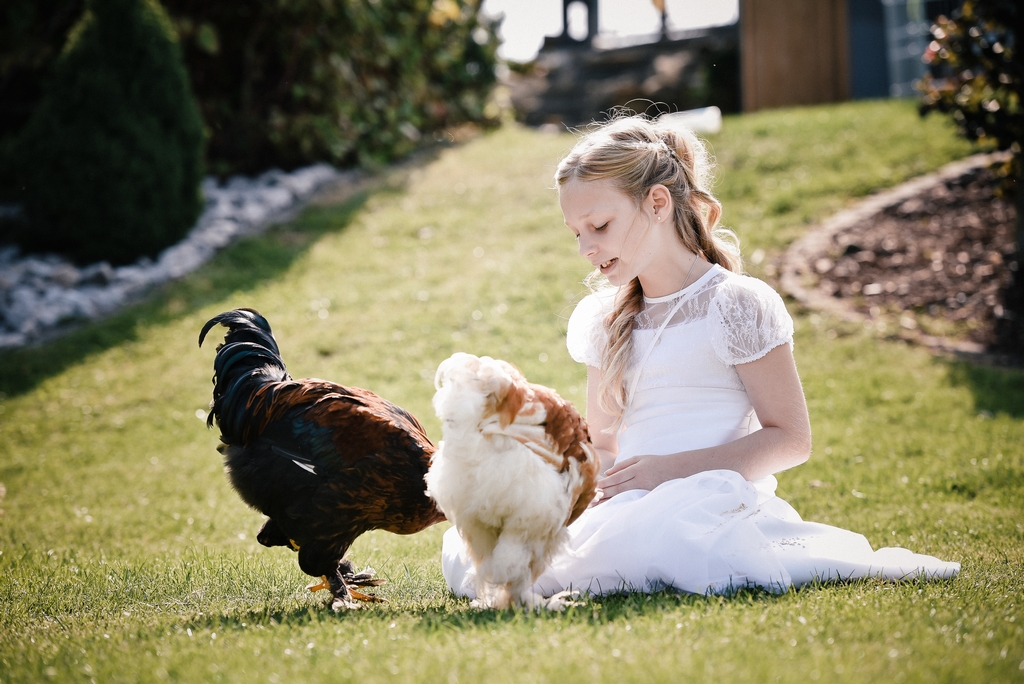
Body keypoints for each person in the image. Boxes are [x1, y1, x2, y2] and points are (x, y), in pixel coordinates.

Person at [441, 114, 960, 599]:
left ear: (658, 203)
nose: (586, 249)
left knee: (662, 538)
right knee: (481, 554)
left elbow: (792, 439)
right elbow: (604, 444)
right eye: (577, 233)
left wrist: (666, 473)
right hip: (630, 500)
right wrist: (565, 495)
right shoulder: (605, 319)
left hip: (709, 498)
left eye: (599, 226)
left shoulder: (736, 304)